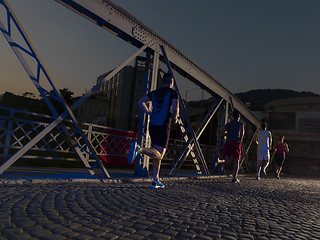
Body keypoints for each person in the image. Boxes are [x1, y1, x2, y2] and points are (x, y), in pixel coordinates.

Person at [127, 73, 179, 189]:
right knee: (159, 155)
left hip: (153, 124)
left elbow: (140, 102)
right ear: (171, 82)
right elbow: (175, 108)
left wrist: (149, 112)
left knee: (156, 152)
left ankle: (156, 180)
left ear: (163, 81)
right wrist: (175, 119)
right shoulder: (173, 93)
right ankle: (139, 149)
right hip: (164, 124)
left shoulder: (154, 93)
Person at [221, 110, 245, 183]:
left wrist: (227, 135)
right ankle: (234, 177)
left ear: (232, 116)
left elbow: (222, 131)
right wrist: (240, 139)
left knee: (226, 157)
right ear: (239, 117)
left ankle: (220, 162)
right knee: (236, 160)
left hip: (228, 141)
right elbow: (242, 133)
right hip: (236, 143)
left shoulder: (229, 124)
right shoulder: (240, 124)